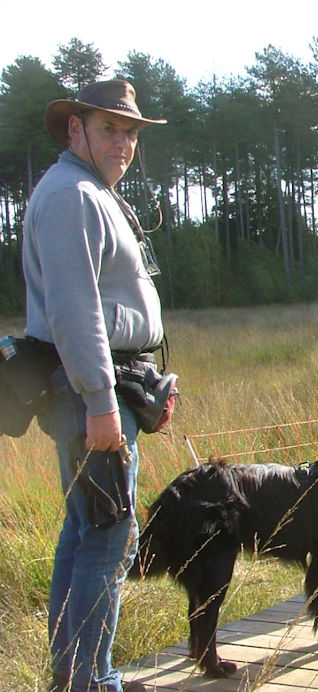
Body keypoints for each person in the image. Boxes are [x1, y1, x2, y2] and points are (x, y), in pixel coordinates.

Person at [22, 80, 167, 692]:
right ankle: (88, 681)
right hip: (89, 394)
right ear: (75, 128)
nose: (125, 141)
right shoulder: (71, 195)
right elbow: (75, 311)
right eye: (110, 128)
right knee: (110, 536)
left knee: (87, 532)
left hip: (103, 384)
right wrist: (102, 402)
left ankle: (76, 676)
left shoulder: (89, 193)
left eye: (131, 131)